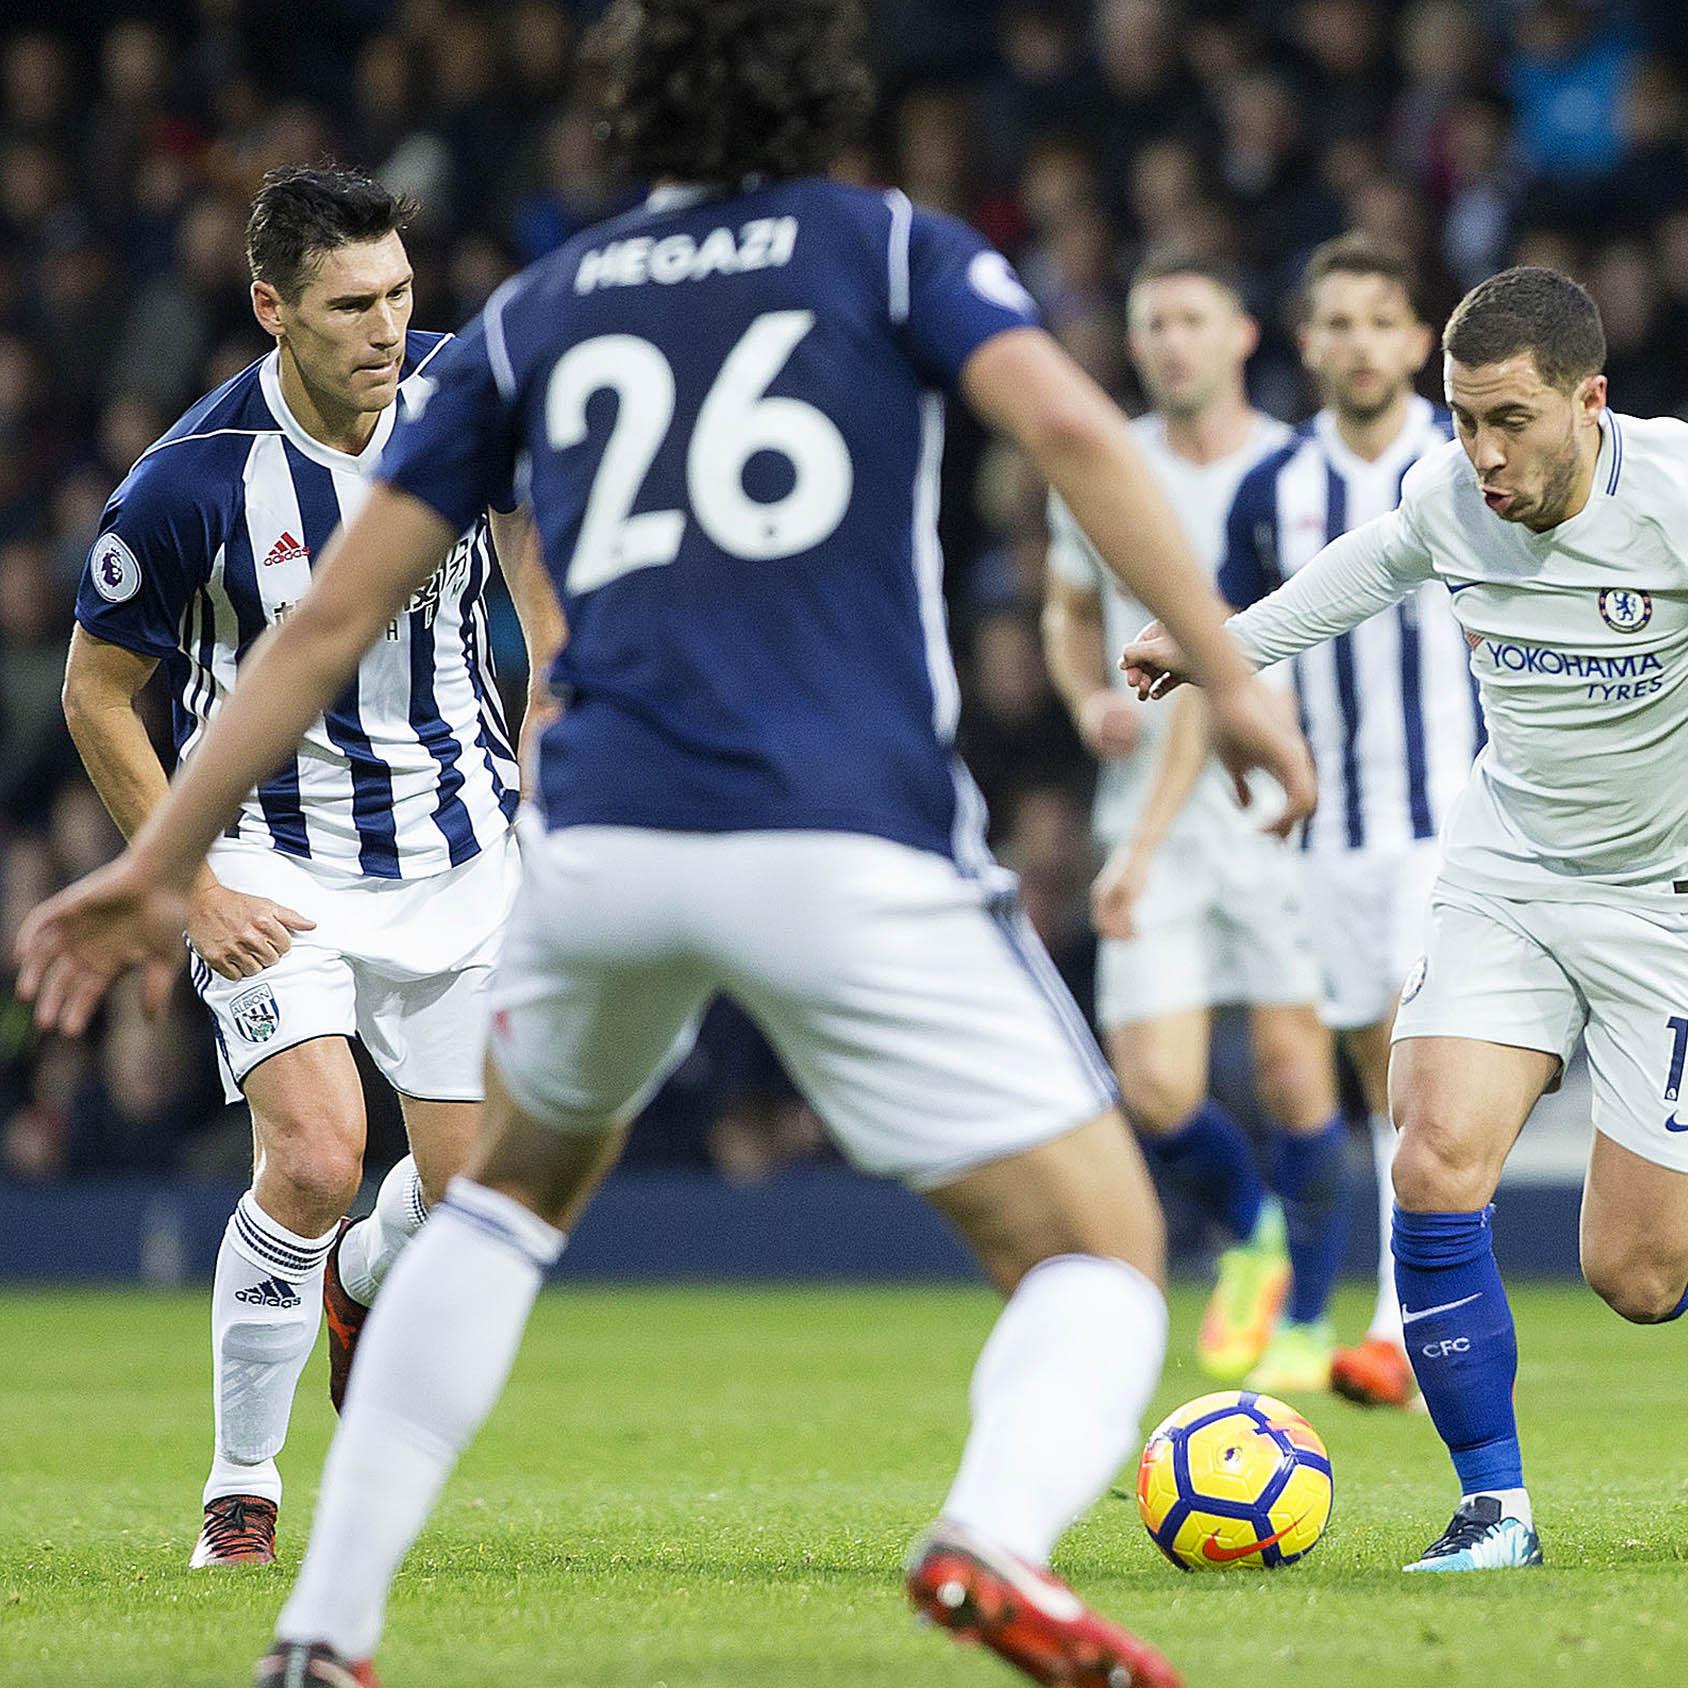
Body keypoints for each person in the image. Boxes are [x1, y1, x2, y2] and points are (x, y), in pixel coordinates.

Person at [14, 2, 1314, 1684]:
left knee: (495, 1212)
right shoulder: (890, 244)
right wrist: (1234, 666)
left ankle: (324, 1632)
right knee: (1102, 1246)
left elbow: (329, 618)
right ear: (826, 98)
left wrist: (145, 864)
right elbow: (1071, 433)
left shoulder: (542, 308)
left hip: (594, 847)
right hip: (837, 827)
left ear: (633, 114)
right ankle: (987, 1538)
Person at [1123, 265, 1688, 1573]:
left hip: (1683, 914)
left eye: (1510, 419)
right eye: (1461, 418)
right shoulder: (1450, 496)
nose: (1481, 452)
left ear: (1591, 400)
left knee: (1637, 1277)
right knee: (1432, 1158)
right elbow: (1362, 571)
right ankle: (1494, 1509)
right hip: (1510, 881)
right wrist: (1216, 648)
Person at [59, 163, 557, 1571]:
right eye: (349, 305)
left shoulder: (466, 399)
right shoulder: (189, 483)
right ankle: (245, 1482)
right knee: (324, 1150)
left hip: (464, 849)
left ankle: (351, 1279)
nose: (385, 329)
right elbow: (97, 698)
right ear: (272, 307)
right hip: (278, 865)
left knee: (471, 1199)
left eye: (400, 294)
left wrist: (553, 675)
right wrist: (185, 885)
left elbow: (526, 527)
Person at [1040, 253, 1343, 1388]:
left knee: (1291, 1069)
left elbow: (1232, 663)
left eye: (1189, 318)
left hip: (1273, 799)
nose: (1169, 340)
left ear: (1242, 335)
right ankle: (1259, 1230)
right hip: (1149, 807)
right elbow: (1068, 609)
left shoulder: (1294, 471)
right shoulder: (1109, 464)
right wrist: (1080, 695)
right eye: (1150, 321)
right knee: (1158, 1083)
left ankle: (1306, 1324)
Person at [1217, 232, 1471, 1407]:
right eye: (1340, 322)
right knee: (1349, 1071)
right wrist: (1249, 734)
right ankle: (1347, 1301)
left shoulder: (1467, 455)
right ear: (1308, 342)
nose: (1361, 342)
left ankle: (1395, 1320)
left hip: (1455, 816)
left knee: (1410, 1068)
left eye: (1383, 319)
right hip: (1323, 827)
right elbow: (1241, 632)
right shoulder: (1274, 488)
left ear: (1420, 340)